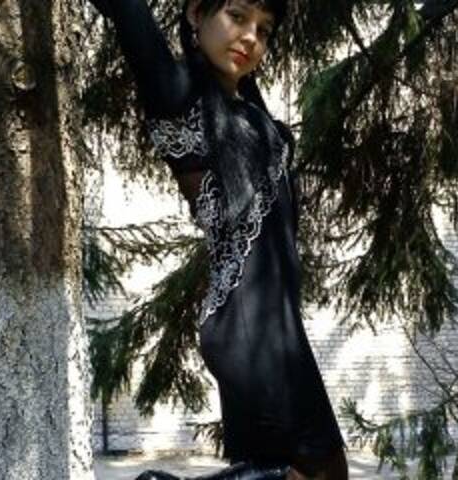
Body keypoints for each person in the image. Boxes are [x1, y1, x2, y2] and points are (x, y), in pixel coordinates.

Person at [87, 1, 349, 478]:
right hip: (249, 329)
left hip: (273, 328)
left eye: (264, 30)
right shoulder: (176, 91)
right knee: (324, 470)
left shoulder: (245, 107)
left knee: (297, 468)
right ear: (195, 14)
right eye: (237, 16)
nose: (251, 37)